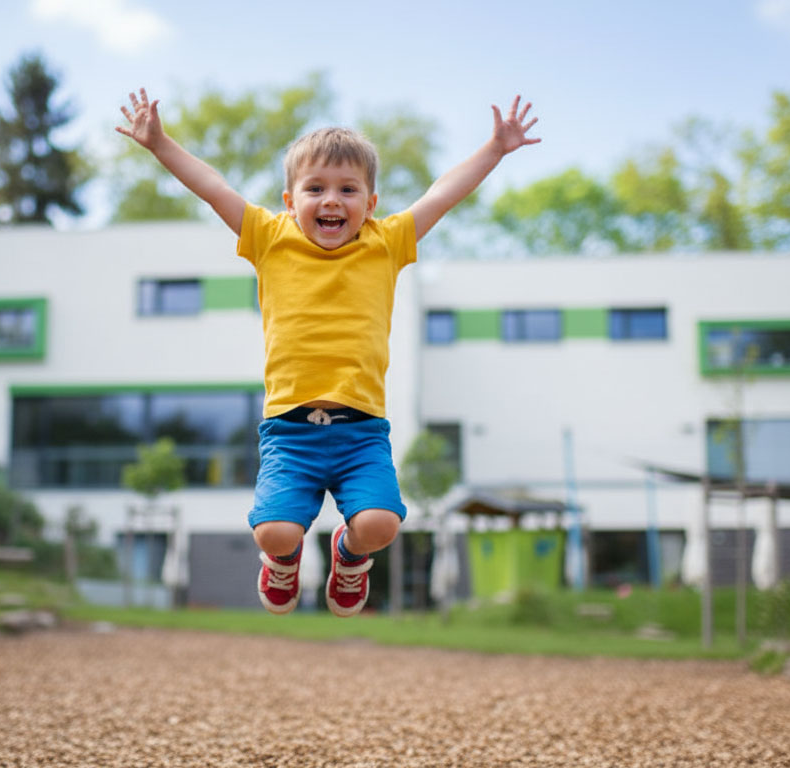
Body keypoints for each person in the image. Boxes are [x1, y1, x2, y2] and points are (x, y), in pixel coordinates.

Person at [117, 88, 539, 616]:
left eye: (348, 189)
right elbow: (214, 188)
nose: (332, 200)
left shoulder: (386, 243)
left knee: (380, 525)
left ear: (371, 204)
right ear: (290, 201)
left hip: (361, 432)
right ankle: (284, 561)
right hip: (291, 431)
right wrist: (160, 145)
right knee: (273, 531)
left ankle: (348, 556)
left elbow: (441, 195)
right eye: (315, 188)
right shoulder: (269, 237)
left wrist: (494, 150)